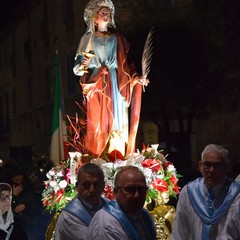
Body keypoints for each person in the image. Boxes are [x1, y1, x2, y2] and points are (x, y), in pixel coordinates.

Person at [73, 0, 149, 157]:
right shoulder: (87, 39)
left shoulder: (117, 38)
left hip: (116, 81)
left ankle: (117, 155)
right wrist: (84, 64)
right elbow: (77, 69)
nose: (106, 15)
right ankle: (98, 157)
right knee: (98, 123)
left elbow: (126, 65)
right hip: (97, 83)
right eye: (103, 13)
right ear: (95, 17)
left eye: (108, 13)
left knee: (118, 121)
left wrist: (136, 78)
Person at [170, 144, 240, 240]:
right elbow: (180, 232)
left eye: (217, 166)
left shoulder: (236, 195)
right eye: (207, 165)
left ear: (225, 168)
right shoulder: (189, 192)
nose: (211, 170)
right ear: (200, 166)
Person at [87, 165, 157, 240]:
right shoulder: (106, 223)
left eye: (141, 189)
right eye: (130, 189)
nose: (137, 195)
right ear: (116, 192)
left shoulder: (143, 216)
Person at [55, 163, 108, 240]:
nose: (92, 190)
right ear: (77, 186)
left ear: (103, 186)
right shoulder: (69, 217)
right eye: (86, 185)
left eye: (96, 184)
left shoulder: (109, 205)